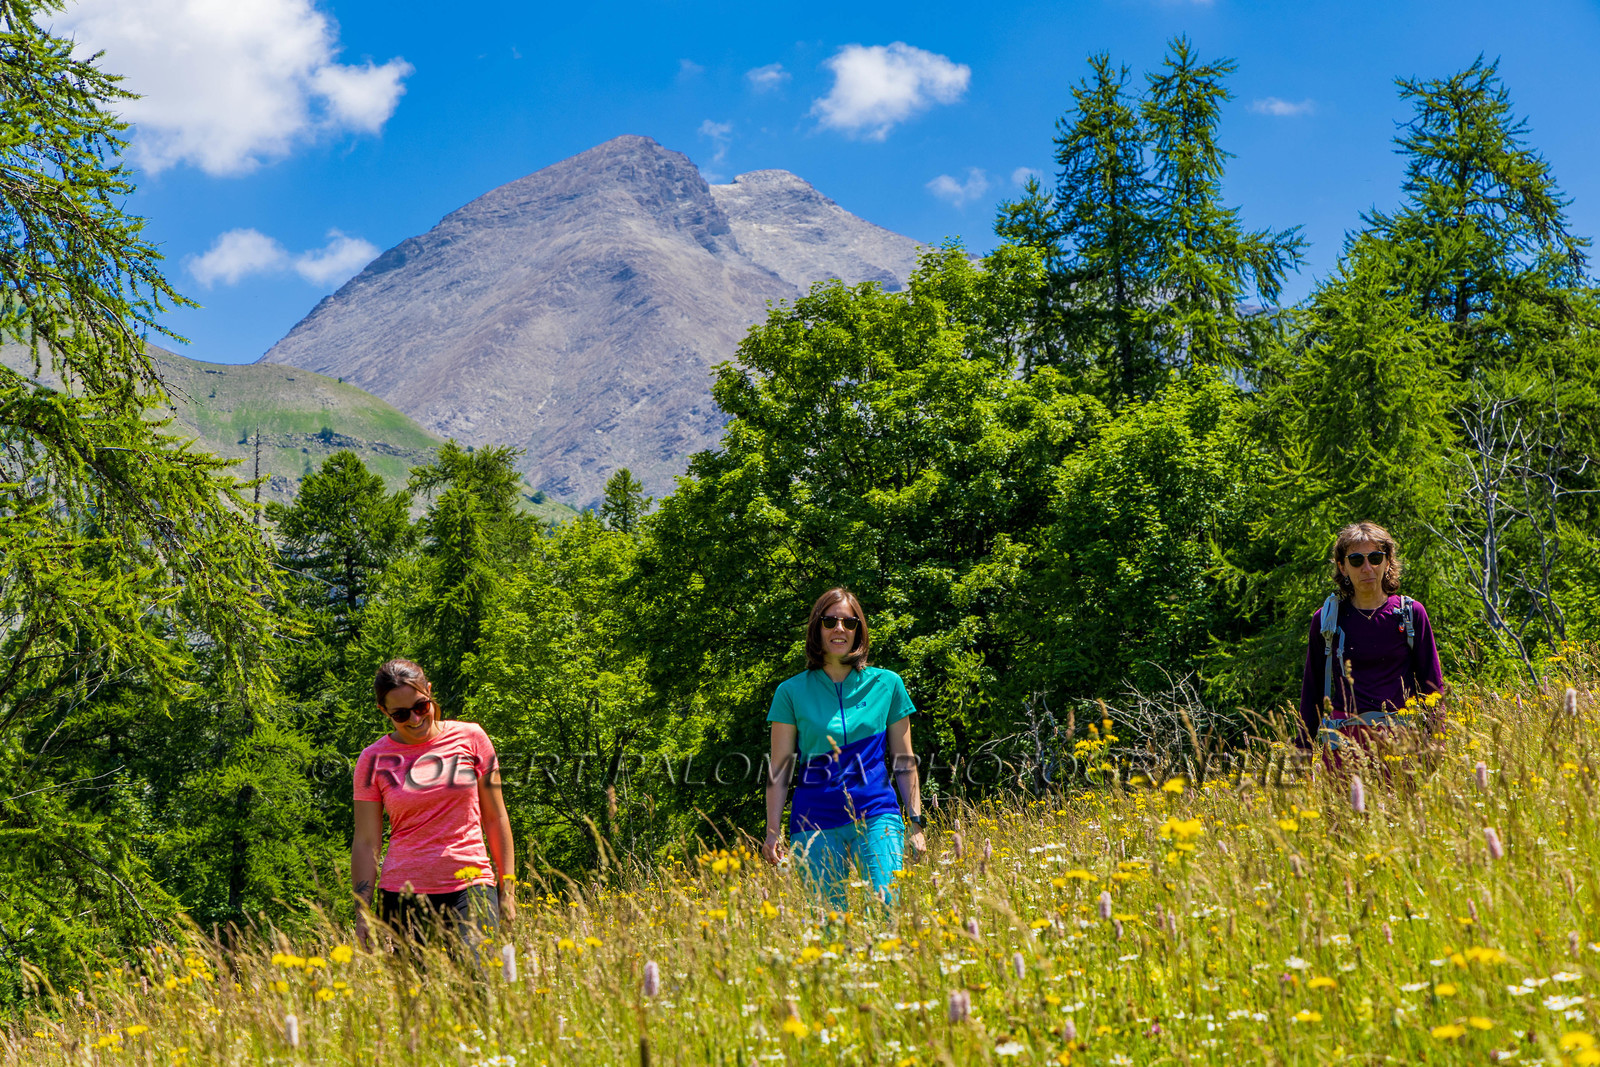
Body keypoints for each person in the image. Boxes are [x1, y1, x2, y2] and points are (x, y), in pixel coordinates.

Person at [760, 588, 927, 915]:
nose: (839, 629)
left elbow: (905, 762)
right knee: (828, 928)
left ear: (858, 631)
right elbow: (779, 769)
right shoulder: (790, 692)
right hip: (814, 823)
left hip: (878, 814)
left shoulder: (888, 684)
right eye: (830, 621)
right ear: (816, 628)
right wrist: (772, 832)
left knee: (886, 911)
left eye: (849, 623)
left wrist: (916, 822)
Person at [351, 659, 516, 949]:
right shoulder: (372, 759)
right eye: (401, 714)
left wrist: (508, 891)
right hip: (402, 895)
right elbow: (366, 842)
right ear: (383, 712)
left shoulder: (472, 738)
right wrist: (362, 912)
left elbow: (495, 817)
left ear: (429, 692)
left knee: (477, 981)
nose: (414, 720)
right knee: (417, 993)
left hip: (471, 883)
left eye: (420, 707)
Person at [1298, 522, 1445, 770]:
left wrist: (1436, 743)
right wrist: (1301, 753)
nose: (1367, 568)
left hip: (1401, 743)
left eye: (1376, 558)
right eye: (1356, 560)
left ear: (1388, 562)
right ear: (1342, 567)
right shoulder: (1327, 620)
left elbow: (1433, 685)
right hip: (1342, 746)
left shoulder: (1409, 614)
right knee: (1343, 811)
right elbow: (1312, 691)